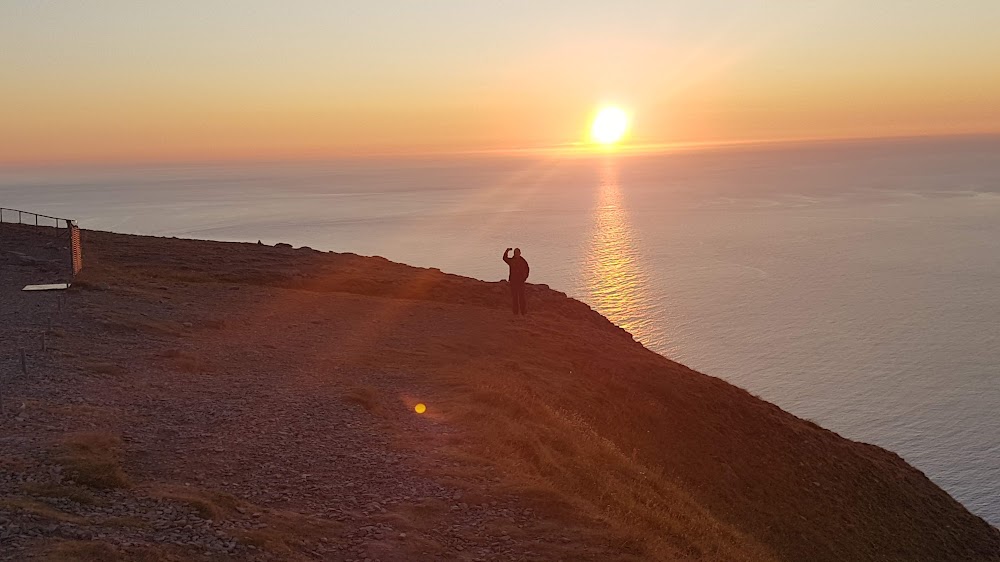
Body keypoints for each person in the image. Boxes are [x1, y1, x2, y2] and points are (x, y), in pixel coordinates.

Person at [502, 247, 529, 315]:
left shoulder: (523, 261)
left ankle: (523, 312)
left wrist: (524, 278)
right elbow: (505, 258)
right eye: (515, 253)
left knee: (522, 297)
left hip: (520, 282)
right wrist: (507, 251)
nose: (516, 254)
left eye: (517, 253)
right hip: (513, 281)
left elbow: (527, 269)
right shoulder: (512, 261)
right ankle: (515, 313)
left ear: (520, 253)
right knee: (515, 297)